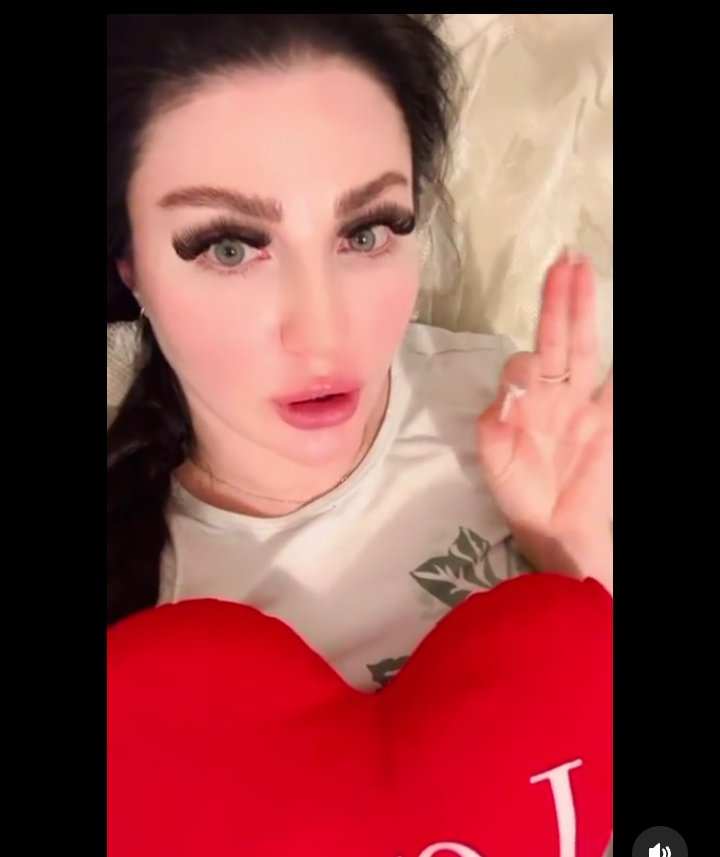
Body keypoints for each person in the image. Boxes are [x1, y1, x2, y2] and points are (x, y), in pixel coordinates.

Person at [107, 13, 612, 693]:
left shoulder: (522, 419)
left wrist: (575, 553)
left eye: (367, 232)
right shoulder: (142, 623)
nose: (323, 334)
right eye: (230, 248)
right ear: (130, 267)